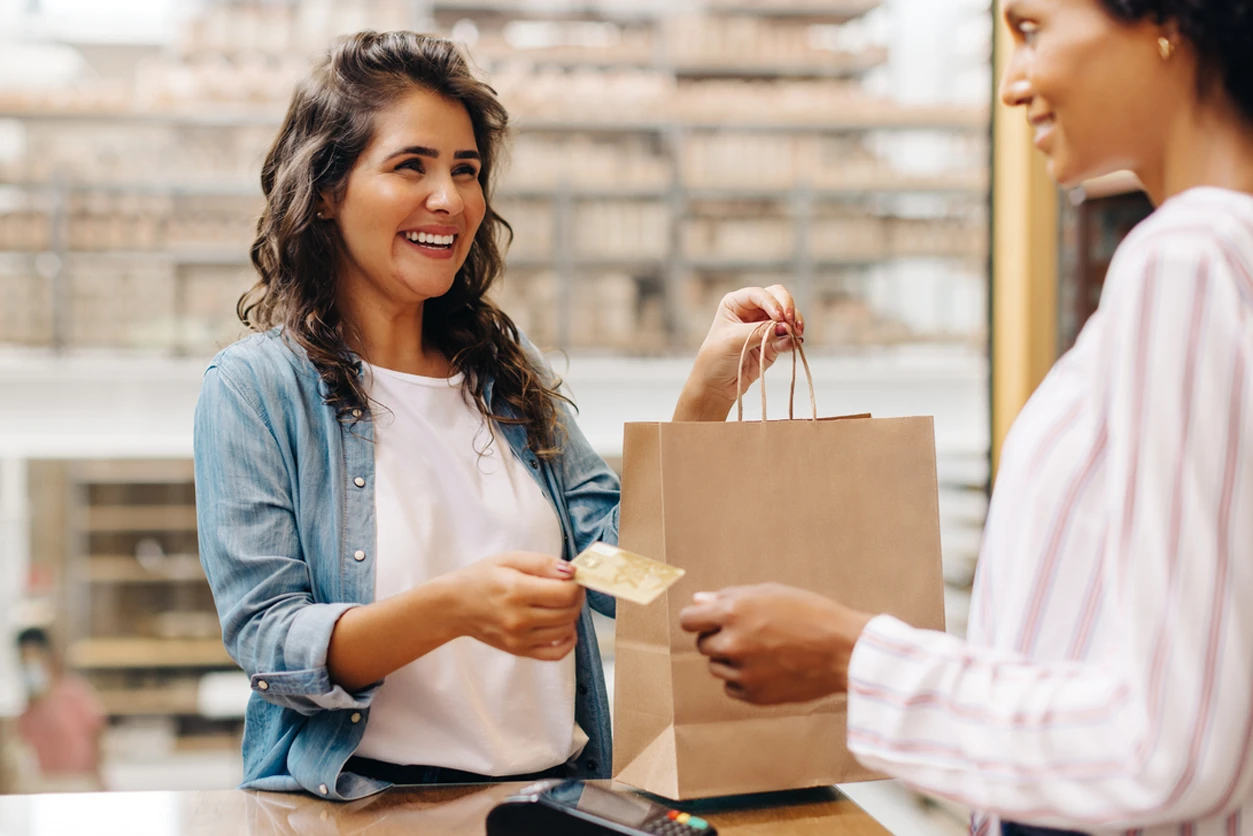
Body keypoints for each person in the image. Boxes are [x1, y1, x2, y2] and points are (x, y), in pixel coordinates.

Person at [679, 1, 1253, 834]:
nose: (1012, 85)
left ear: (1165, 20)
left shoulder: (1188, 259)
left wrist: (848, 652)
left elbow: (1169, 748)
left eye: (1031, 30)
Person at [193, 30, 803, 801]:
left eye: (466, 170)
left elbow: (624, 576)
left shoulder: (503, 371)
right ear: (326, 189)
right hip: (369, 808)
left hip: (551, 801)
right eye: (411, 165)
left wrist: (707, 397)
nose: (449, 199)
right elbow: (268, 641)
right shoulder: (255, 388)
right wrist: (453, 607)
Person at [14, 628, 105, 792]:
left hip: (79, 781)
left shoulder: (75, 692)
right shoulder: (27, 705)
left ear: (49, 656)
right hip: (45, 783)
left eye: (34, 657)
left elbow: (97, 733)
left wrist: (98, 776)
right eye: (24, 659)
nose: (29, 664)